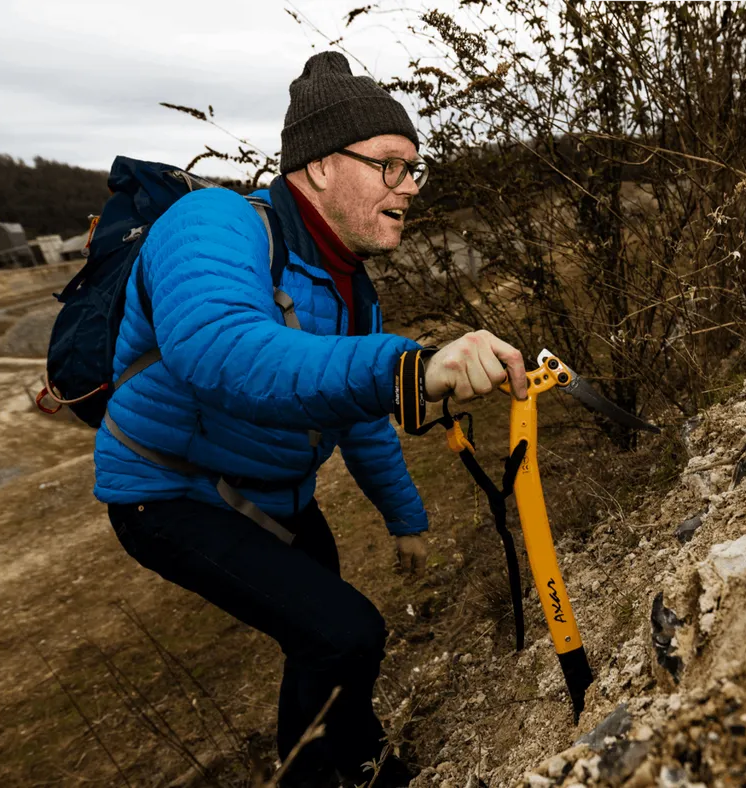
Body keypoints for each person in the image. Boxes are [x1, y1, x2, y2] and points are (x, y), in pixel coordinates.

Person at [95, 51, 526, 787]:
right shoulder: (212, 224)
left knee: (323, 641)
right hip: (168, 495)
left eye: (416, 166)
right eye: (391, 163)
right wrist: (407, 365)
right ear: (322, 165)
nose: (412, 186)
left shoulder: (351, 289)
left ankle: (347, 761)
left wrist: (405, 517)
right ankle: (340, 771)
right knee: (346, 631)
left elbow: (354, 410)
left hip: (278, 498)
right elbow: (219, 347)